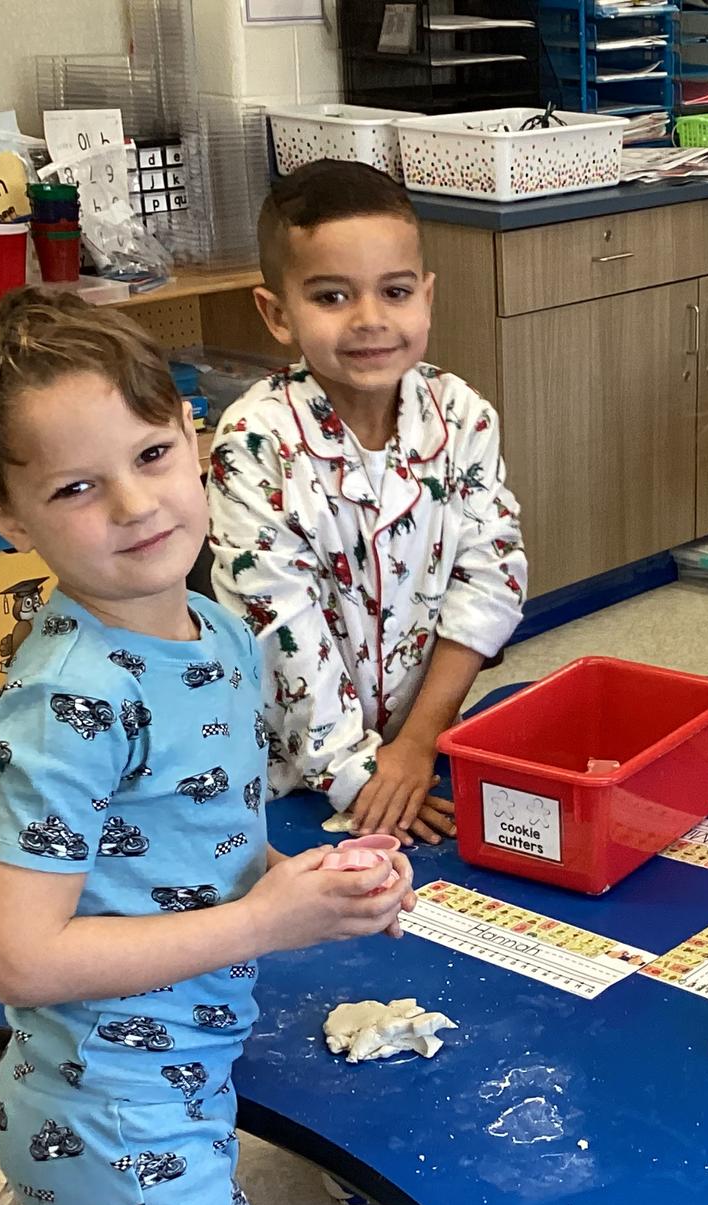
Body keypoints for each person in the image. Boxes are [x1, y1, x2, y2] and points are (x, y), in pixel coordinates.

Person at [0, 290, 417, 1205]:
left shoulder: (218, 633)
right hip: (114, 1118)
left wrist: (310, 887)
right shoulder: (71, 704)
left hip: (171, 1085)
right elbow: (20, 961)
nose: (136, 504)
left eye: (152, 454)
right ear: (3, 515)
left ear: (192, 436)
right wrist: (262, 924)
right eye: (75, 487)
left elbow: (199, 837)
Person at [208, 158, 526, 843]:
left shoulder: (462, 415)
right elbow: (280, 629)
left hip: (420, 747)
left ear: (426, 297)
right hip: (280, 773)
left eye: (395, 291)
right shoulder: (254, 442)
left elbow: (490, 580)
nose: (370, 320)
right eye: (331, 297)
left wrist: (416, 746)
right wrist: (360, 776)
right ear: (277, 314)